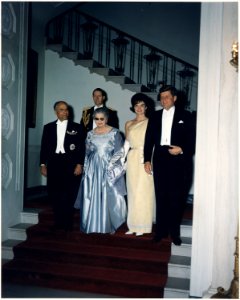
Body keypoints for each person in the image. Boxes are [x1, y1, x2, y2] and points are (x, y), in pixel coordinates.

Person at [144, 85, 195, 246]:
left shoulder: (186, 116)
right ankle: (160, 232)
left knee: (176, 198)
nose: (163, 100)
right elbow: (149, 139)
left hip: (179, 160)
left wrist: (182, 149)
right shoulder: (154, 115)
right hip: (160, 158)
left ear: (174, 98)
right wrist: (146, 159)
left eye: (167, 97)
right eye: (161, 97)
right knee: (161, 196)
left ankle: (175, 233)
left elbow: (193, 140)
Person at [74, 107, 127, 234]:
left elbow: (119, 152)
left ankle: (107, 224)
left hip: (108, 167)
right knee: (91, 195)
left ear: (107, 118)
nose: (99, 121)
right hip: (92, 168)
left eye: (102, 119)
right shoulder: (90, 134)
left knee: (108, 194)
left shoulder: (115, 133)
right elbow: (86, 152)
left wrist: (112, 168)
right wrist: (85, 168)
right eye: (96, 119)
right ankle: (91, 224)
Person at [40, 101, 85, 232]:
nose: (65, 112)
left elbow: (81, 148)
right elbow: (44, 147)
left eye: (66, 109)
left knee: (69, 194)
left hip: (70, 164)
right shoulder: (48, 127)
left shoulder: (77, 127)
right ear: (56, 112)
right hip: (54, 163)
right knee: (54, 193)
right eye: (61, 110)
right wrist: (42, 164)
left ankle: (67, 223)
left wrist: (79, 164)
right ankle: (58, 222)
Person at [124, 93, 155, 236]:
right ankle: (133, 225)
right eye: (136, 105)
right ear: (133, 107)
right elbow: (126, 144)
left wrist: (150, 160)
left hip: (146, 158)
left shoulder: (152, 122)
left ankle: (143, 226)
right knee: (132, 191)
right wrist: (121, 161)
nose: (139, 108)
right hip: (132, 157)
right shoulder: (128, 124)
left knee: (144, 191)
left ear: (146, 107)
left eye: (142, 105)